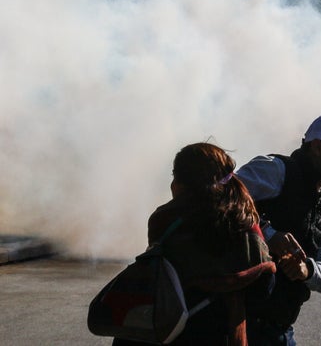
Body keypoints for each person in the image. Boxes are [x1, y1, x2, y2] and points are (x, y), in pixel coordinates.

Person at [113, 143, 276, 346]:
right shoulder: (246, 222)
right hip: (225, 335)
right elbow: (263, 289)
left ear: (183, 183)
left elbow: (159, 280)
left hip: (172, 333)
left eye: (175, 177)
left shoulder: (165, 219)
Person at [236, 114, 321, 345]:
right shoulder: (276, 170)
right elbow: (219, 198)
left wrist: (306, 270)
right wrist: (267, 235)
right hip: (239, 325)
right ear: (318, 147)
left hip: (280, 330)